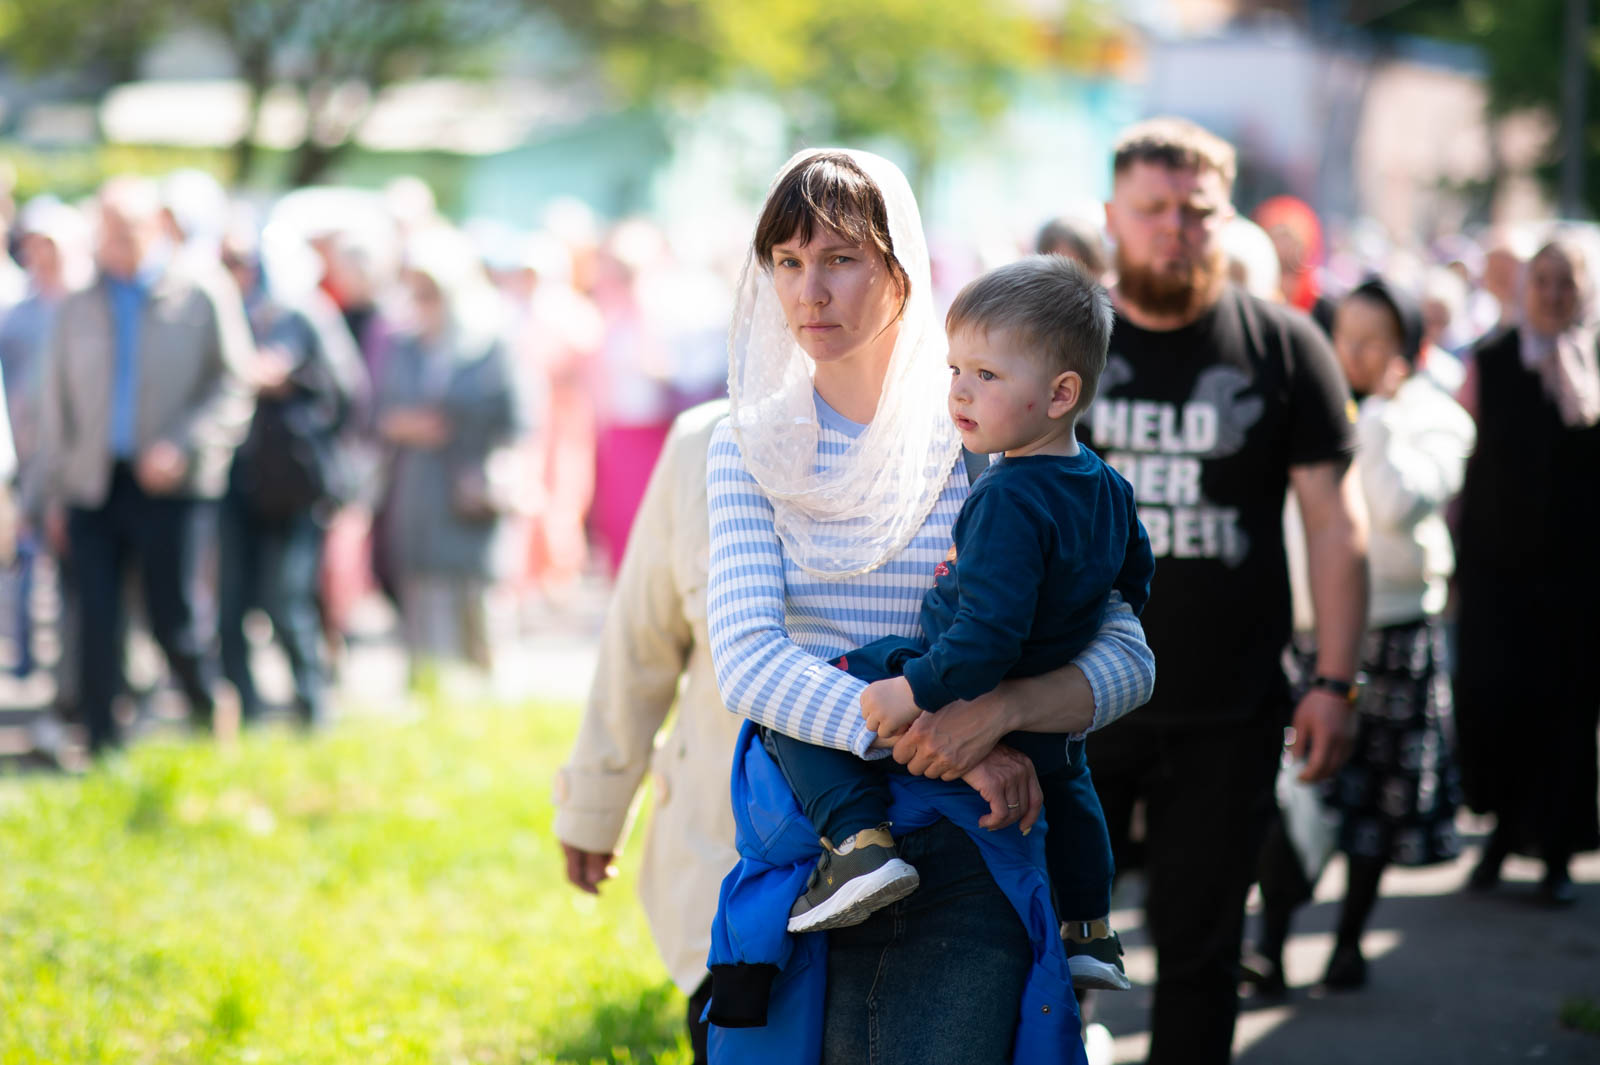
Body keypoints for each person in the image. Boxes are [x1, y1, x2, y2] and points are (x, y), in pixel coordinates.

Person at [703, 148, 1155, 1065]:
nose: (810, 291)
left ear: (901, 268)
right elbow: (748, 659)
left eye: (841, 258)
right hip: (819, 836)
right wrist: (945, 742)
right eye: (788, 261)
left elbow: (1127, 656)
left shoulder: (986, 423)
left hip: (969, 848)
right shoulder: (749, 442)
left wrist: (999, 714)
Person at [762, 256, 1152, 996]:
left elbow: (985, 635)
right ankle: (1090, 929)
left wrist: (914, 689)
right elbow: (1134, 581)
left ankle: (857, 844)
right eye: (955, 370)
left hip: (961, 673)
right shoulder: (1108, 485)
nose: (960, 392)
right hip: (1048, 694)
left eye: (987, 375)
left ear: (1061, 393)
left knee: (826, 685)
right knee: (1071, 787)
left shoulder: (1005, 495)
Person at [1078, 118, 1368, 1064]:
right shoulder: (1061, 338)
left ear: (1225, 215)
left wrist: (1335, 681)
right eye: (1152, 208)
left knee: (1201, 951)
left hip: (1229, 708)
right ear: (1113, 214)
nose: (1174, 228)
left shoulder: (1285, 345)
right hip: (1071, 703)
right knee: (1046, 945)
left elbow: (1335, 524)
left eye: (1195, 210)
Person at [1245, 277, 1473, 996]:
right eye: (1346, 337)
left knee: (1377, 801)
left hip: (1395, 634)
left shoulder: (1435, 418)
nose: (1356, 353)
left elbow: (1399, 503)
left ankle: (1347, 943)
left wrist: (1372, 416)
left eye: (1376, 341)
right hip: (1311, 631)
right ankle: (1270, 946)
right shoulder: (1304, 403)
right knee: (1294, 793)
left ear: (1409, 348)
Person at [32, 176, 254, 755]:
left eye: (126, 229)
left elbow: (234, 384)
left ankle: (209, 718)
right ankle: (102, 747)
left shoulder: (201, 291)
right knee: (95, 620)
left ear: (156, 226)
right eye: (105, 230)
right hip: (93, 485)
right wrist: (51, 492)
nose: (114, 242)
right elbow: (56, 405)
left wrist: (185, 446)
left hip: (170, 486)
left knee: (172, 618)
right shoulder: (79, 303)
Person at [554, 398, 739, 1065]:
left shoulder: (968, 430)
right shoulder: (705, 442)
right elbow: (641, 642)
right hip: (725, 865)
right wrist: (595, 802)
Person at [1454, 236, 1600, 907]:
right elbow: (1463, 458)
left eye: (1566, 281)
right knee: (1498, 702)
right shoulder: (1491, 359)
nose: (1552, 294)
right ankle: (1503, 833)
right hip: (1497, 572)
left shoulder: (1594, 361)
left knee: (1565, 711)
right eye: (1542, 280)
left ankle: (1559, 854)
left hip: (1576, 578)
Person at [216, 226, 367, 728]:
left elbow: (278, 373)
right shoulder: (226, 312)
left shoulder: (297, 313)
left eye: (242, 261)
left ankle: (312, 704)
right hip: (238, 480)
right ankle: (246, 711)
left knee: (286, 598)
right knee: (231, 602)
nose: (235, 272)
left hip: (293, 483)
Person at [375, 229, 529, 685]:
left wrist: (502, 469)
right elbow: (377, 410)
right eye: (418, 292)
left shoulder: (491, 345)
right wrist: (408, 426)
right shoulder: (404, 347)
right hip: (420, 490)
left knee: (479, 607)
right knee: (424, 603)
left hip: (471, 490)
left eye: (432, 292)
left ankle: (489, 698)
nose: (424, 303)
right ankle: (430, 695)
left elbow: (520, 421)